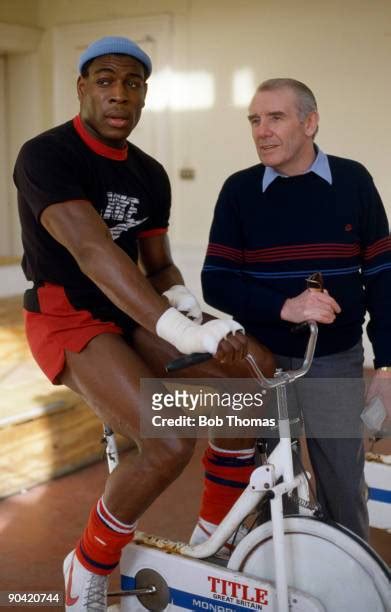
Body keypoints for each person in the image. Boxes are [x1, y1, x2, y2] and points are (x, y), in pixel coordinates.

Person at [13, 36, 275, 611]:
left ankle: (214, 539)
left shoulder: (149, 174)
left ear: (144, 96)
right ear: (82, 88)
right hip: (69, 314)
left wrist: (191, 307)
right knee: (166, 441)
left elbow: (156, 265)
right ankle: (87, 564)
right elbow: (92, 252)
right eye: (105, 80)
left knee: (248, 392)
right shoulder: (45, 155)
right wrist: (180, 331)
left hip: (130, 311)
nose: (119, 94)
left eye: (132, 83)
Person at [202, 78, 391, 542]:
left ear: (310, 122)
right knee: (271, 490)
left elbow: (384, 276)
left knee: (344, 489)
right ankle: (280, 586)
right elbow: (216, 281)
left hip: (333, 361)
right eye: (254, 119)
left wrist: (386, 367)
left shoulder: (353, 181)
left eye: (275, 117)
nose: (261, 131)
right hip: (261, 362)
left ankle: (351, 589)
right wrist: (285, 306)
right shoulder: (239, 191)